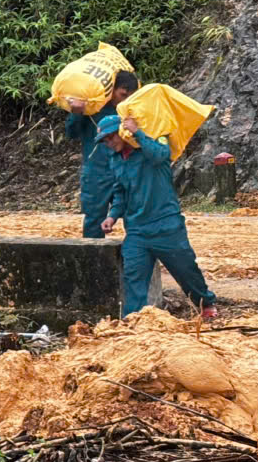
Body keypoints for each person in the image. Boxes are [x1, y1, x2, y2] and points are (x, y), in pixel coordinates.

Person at [96, 114, 218, 320]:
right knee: (133, 276)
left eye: (111, 137)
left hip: (166, 225)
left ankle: (205, 303)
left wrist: (138, 133)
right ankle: (133, 319)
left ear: (123, 132)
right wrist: (113, 216)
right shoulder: (116, 160)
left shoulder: (150, 148)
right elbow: (120, 191)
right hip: (136, 229)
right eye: (105, 140)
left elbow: (162, 155)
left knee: (185, 269)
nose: (109, 143)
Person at [65, 71, 140, 238]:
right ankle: (93, 262)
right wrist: (76, 112)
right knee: (94, 219)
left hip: (126, 168)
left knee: (135, 217)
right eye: (123, 94)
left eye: (130, 96)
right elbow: (71, 133)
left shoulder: (131, 110)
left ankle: (139, 259)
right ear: (111, 90)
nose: (125, 99)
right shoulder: (91, 107)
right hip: (96, 172)